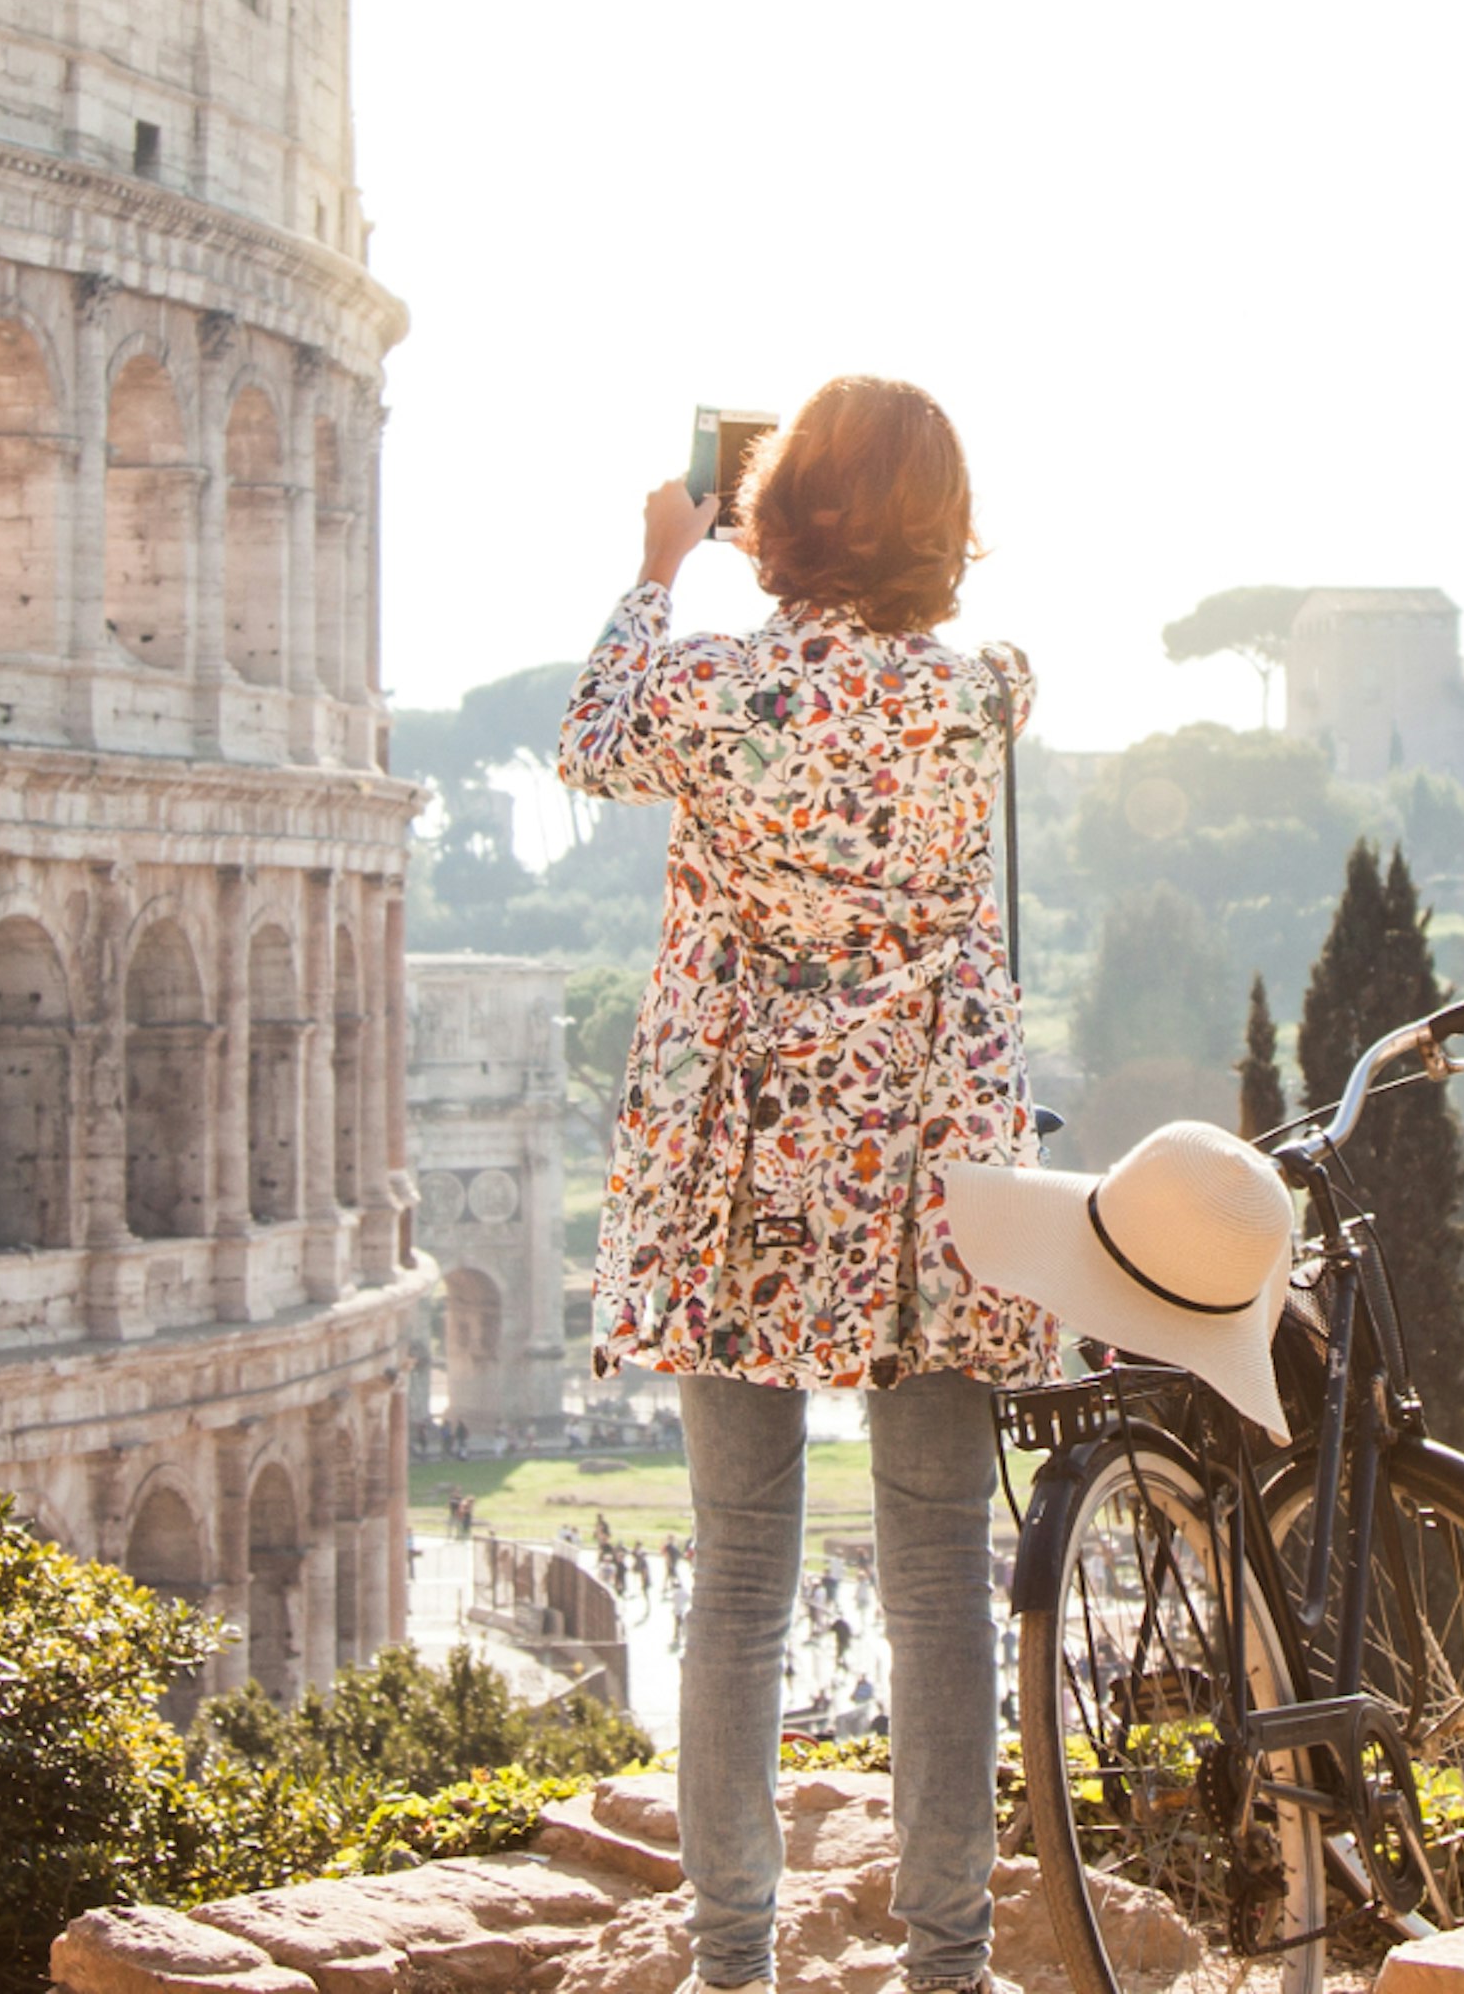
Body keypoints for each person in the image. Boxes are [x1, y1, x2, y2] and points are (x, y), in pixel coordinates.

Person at [560, 376, 1047, 1994]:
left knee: (741, 1576)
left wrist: (657, 560)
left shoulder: (709, 695)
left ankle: (730, 1966)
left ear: (779, 516)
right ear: (943, 525)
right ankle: (948, 1967)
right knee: (933, 1580)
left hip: (739, 1161)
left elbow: (589, 740)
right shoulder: (986, 692)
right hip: (921, 1159)